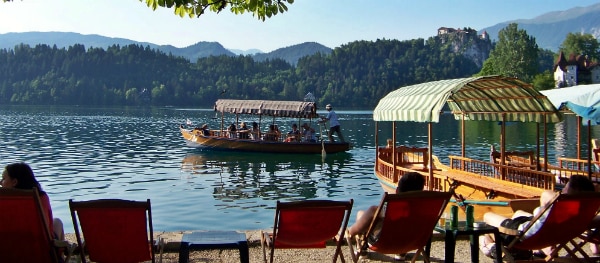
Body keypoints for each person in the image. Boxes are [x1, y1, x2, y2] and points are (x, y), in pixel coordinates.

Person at [479, 174, 596, 258]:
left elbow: (546, 196)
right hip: (549, 233)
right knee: (518, 213)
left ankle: (493, 247)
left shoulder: (562, 203)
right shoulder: (581, 214)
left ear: (570, 191)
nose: (561, 190)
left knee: (487, 218)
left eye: (565, 188)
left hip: (524, 235)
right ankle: (532, 252)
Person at [1, 163, 65, 242]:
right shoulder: (40, 198)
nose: (1, 182)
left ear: (14, 182)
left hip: (7, 249)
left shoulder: (3, 201)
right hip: (39, 249)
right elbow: (46, 228)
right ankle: (61, 252)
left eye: (3, 179)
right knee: (57, 222)